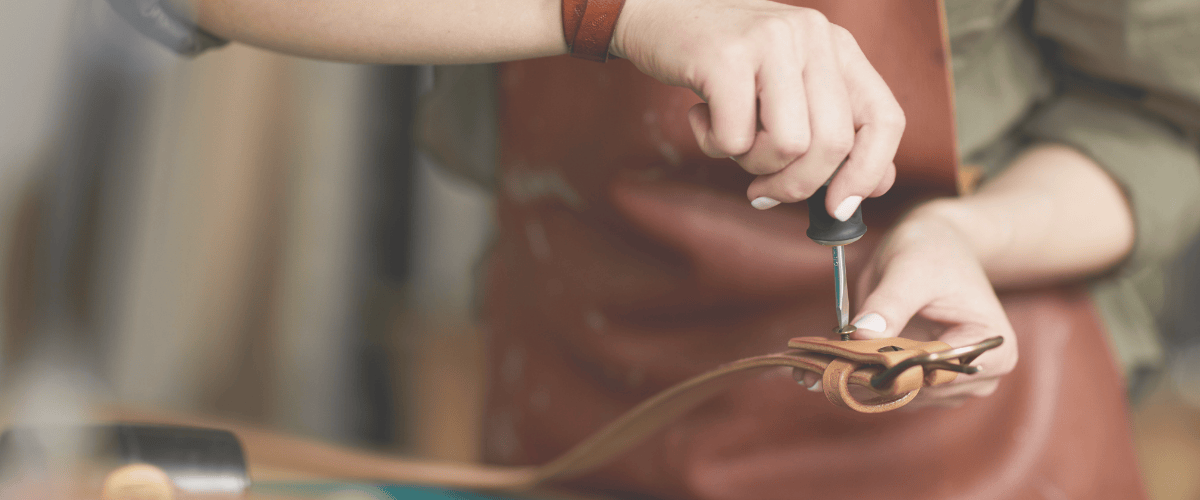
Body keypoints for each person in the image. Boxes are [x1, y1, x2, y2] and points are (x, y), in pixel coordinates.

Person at [109, 0, 1200, 497]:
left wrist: (963, 232)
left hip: (970, 453)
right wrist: (606, 12)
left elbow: (1161, 125)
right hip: (584, 392)